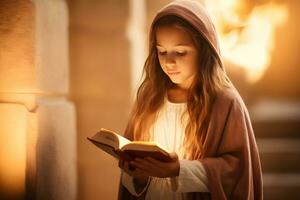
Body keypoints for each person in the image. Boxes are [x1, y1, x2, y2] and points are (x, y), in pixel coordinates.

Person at [117, 0, 263, 199]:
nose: (169, 61)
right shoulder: (148, 99)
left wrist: (179, 170)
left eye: (180, 52)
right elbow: (131, 178)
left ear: (204, 50)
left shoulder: (225, 103)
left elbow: (236, 170)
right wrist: (138, 176)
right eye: (162, 51)